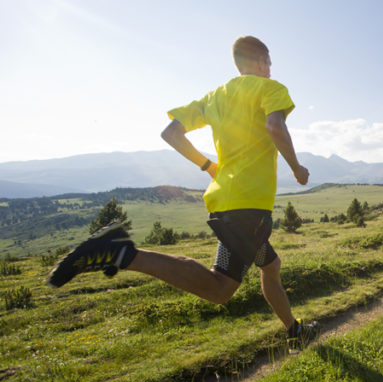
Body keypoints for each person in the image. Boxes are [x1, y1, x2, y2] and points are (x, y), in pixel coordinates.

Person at [47, 36, 317, 352]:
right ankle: (123, 252)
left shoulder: (215, 97)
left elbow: (171, 133)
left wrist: (208, 166)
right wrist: (297, 169)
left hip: (227, 200)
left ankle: (294, 331)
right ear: (261, 60)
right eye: (269, 62)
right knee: (219, 289)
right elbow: (275, 126)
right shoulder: (271, 89)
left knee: (270, 267)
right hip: (248, 206)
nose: (271, 69)